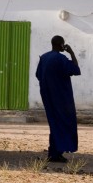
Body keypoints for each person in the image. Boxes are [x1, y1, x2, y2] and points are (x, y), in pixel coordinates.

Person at [35, 35, 81, 163]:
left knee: (54, 123)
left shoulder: (44, 57)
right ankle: (56, 152)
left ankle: (53, 152)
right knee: (65, 123)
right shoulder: (61, 59)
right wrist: (71, 52)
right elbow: (76, 70)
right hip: (62, 98)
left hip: (48, 97)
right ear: (61, 45)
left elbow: (38, 75)